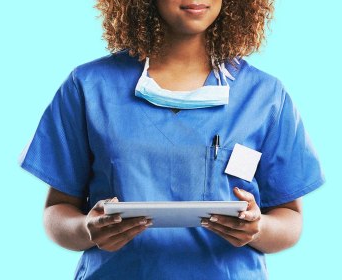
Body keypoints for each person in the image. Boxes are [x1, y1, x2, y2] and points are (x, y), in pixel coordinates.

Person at [19, 0, 324, 279]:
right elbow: (56, 212)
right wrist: (87, 229)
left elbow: (290, 220)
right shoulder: (87, 88)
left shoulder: (265, 96)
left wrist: (258, 229)